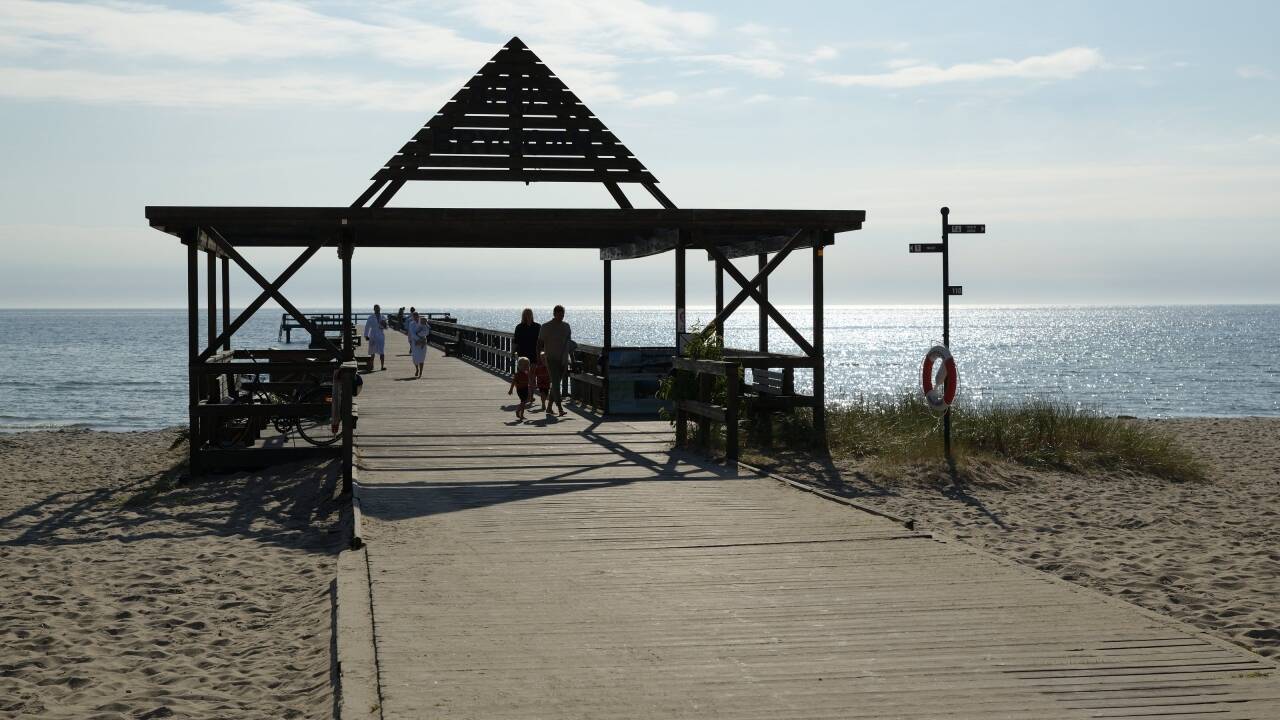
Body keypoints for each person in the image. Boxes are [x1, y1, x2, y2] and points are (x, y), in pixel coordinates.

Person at [537, 304, 571, 416]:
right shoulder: (545, 327)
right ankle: (560, 407)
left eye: (563, 314)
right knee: (556, 383)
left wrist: (572, 359)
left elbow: (569, 344)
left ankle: (549, 407)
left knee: (556, 383)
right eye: (559, 314)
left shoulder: (566, 326)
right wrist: (538, 358)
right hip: (550, 358)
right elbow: (539, 344)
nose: (561, 316)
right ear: (554, 314)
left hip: (563, 359)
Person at [513, 309, 541, 406]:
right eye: (526, 314)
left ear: (532, 315)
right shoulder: (519, 327)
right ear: (523, 316)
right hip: (523, 355)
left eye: (530, 314)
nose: (528, 316)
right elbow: (515, 341)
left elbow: (541, 341)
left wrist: (542, 354)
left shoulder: (537, 326)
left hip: (534, 354)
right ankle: (527, 395)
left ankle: (531, 395)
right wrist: (513, 352)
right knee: (525, 376)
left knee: (532, 375)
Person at [363, 304, 387, 371]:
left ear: (380, 309)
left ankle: (382, 366)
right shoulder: (371, 317)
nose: (377, 309)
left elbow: (386, 327)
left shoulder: (383, 317)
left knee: (381, 351)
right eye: (376, 308)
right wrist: (366, 335)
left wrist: (383, 325)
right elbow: (367, 326)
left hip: (380, 335)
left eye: (378, 308)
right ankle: (371, 366)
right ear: (374, 309)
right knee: (372, 352)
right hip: (373, 335)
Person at [507, 357, 532, 422]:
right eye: (525, 365)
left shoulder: (526, 373)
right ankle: (520, 413)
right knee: (523, 402)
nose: (527, 367)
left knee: (527, 400)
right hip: (520, 389)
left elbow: (528, 381)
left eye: (528, 365)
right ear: (519, 366)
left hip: (526, 388)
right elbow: (513, 382)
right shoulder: (517, 374)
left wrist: (531, 385)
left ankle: (520, 412)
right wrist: (511, 390)